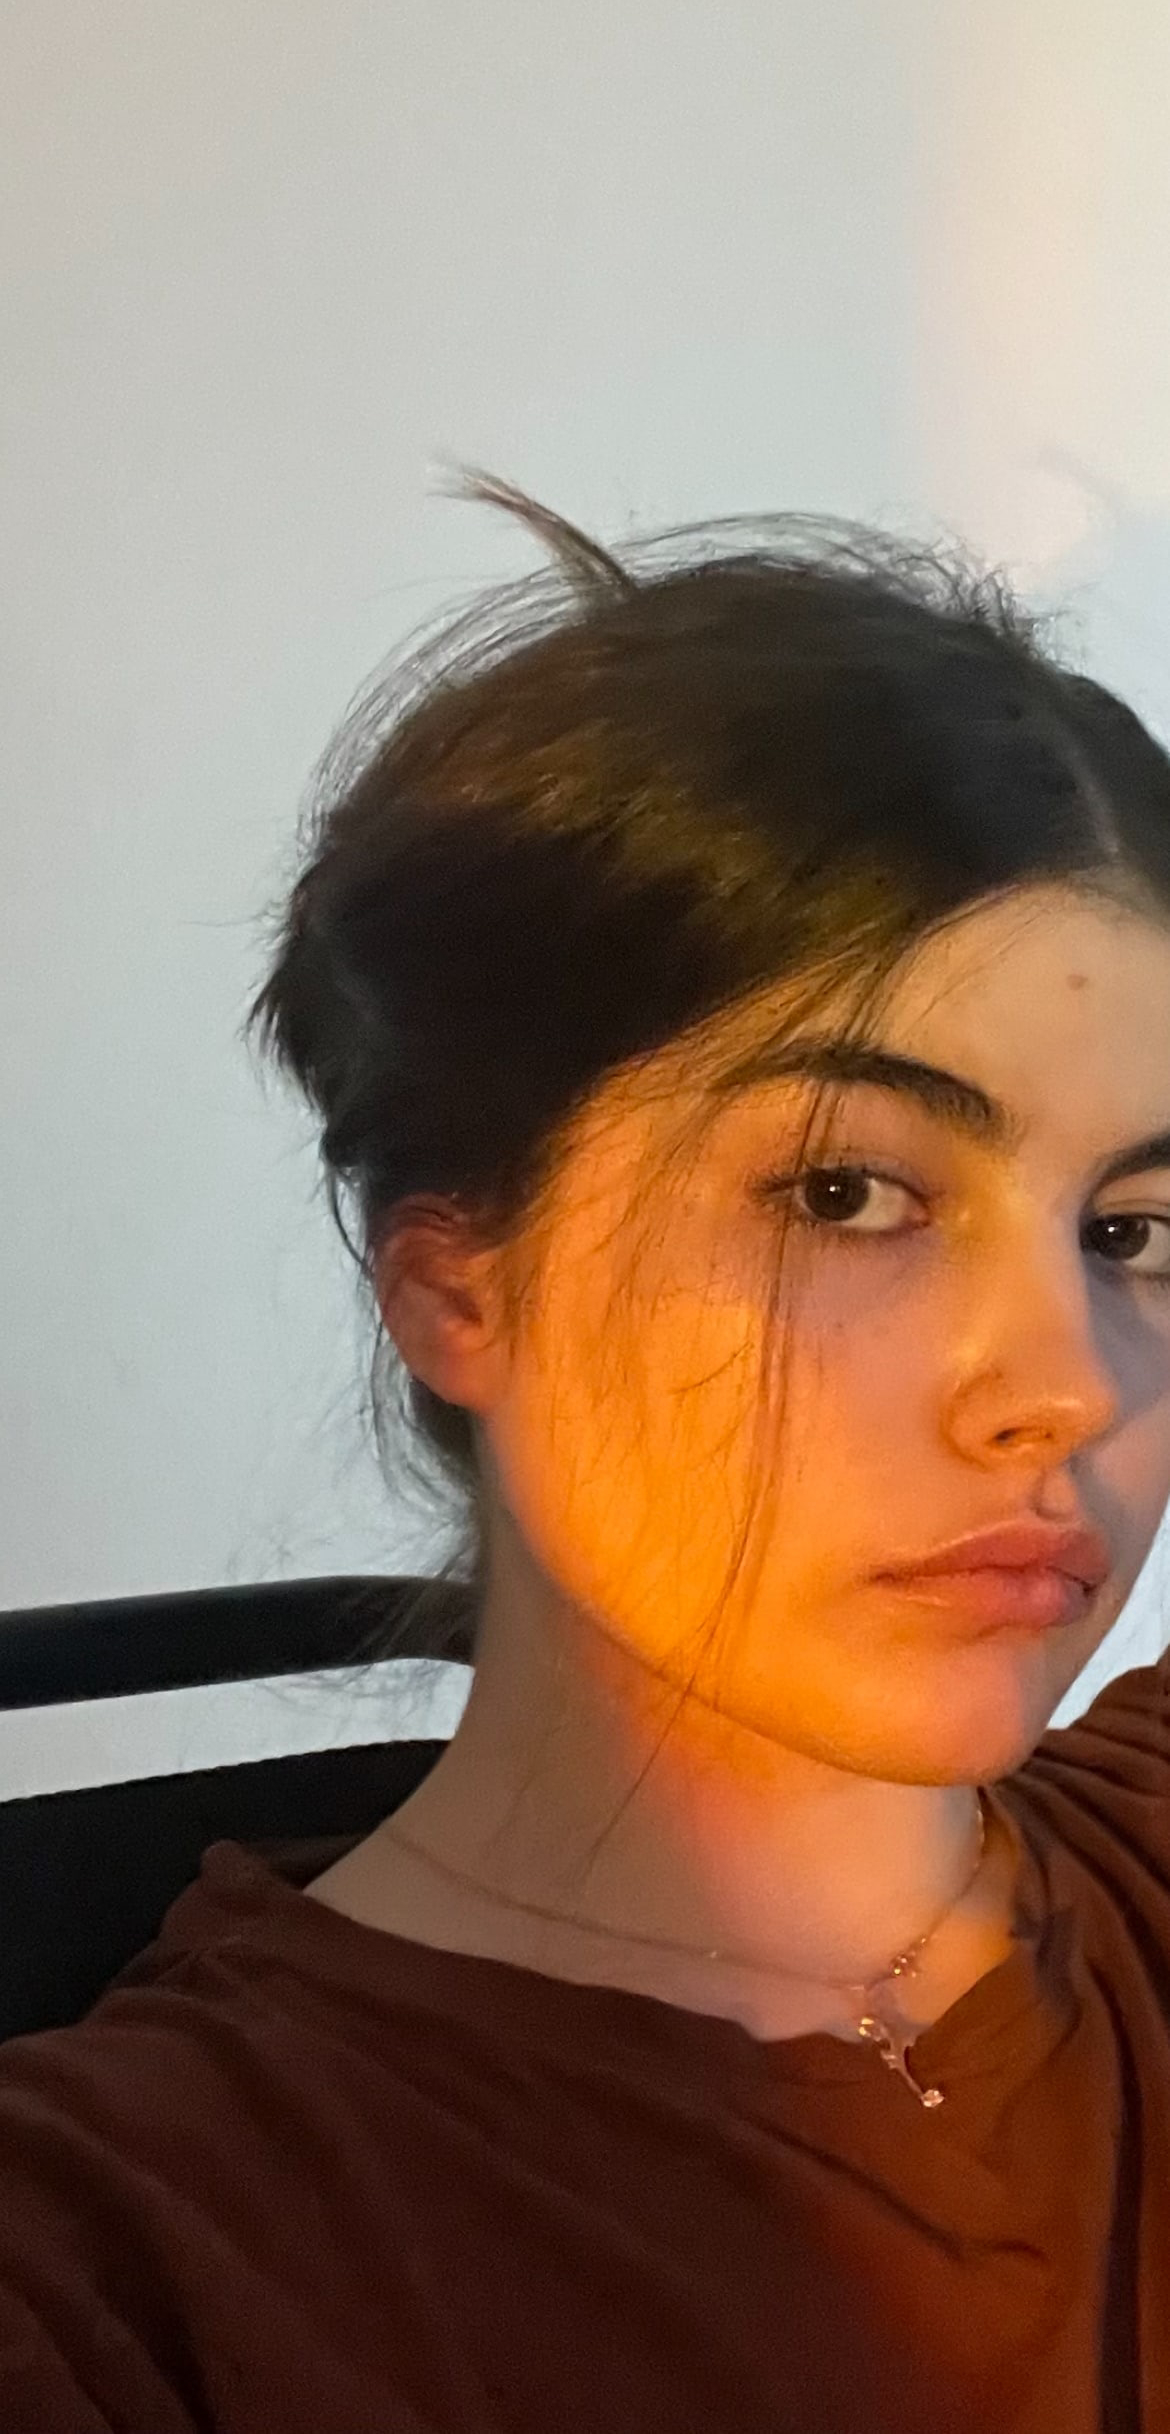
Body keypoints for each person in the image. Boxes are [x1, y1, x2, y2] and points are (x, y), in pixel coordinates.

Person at [3, 476, 1170, 2433]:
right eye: (844, 1191)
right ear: (460, 1286)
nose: (1069, 1386)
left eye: (1131, 1227)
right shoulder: (130, 2263)